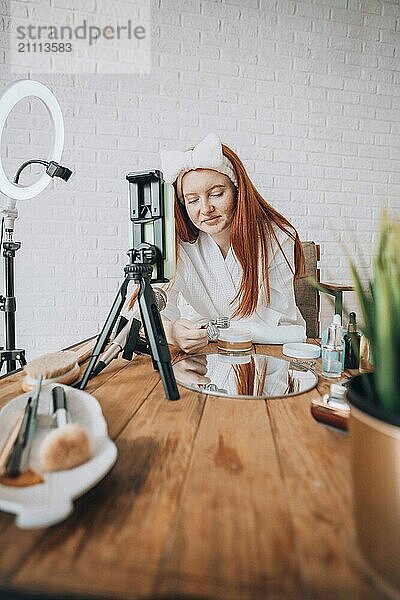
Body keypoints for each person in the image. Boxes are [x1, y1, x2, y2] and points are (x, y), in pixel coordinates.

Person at [130, 132, 306, 354]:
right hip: (207, 356)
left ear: (237, 190)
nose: (205, 209)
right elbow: (156, 307)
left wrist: (212, 330)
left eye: (216, 194)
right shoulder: (179, 244)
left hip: (272, 355)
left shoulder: (278, 238)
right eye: (192, 200)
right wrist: (172, 331)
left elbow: (281, 325)